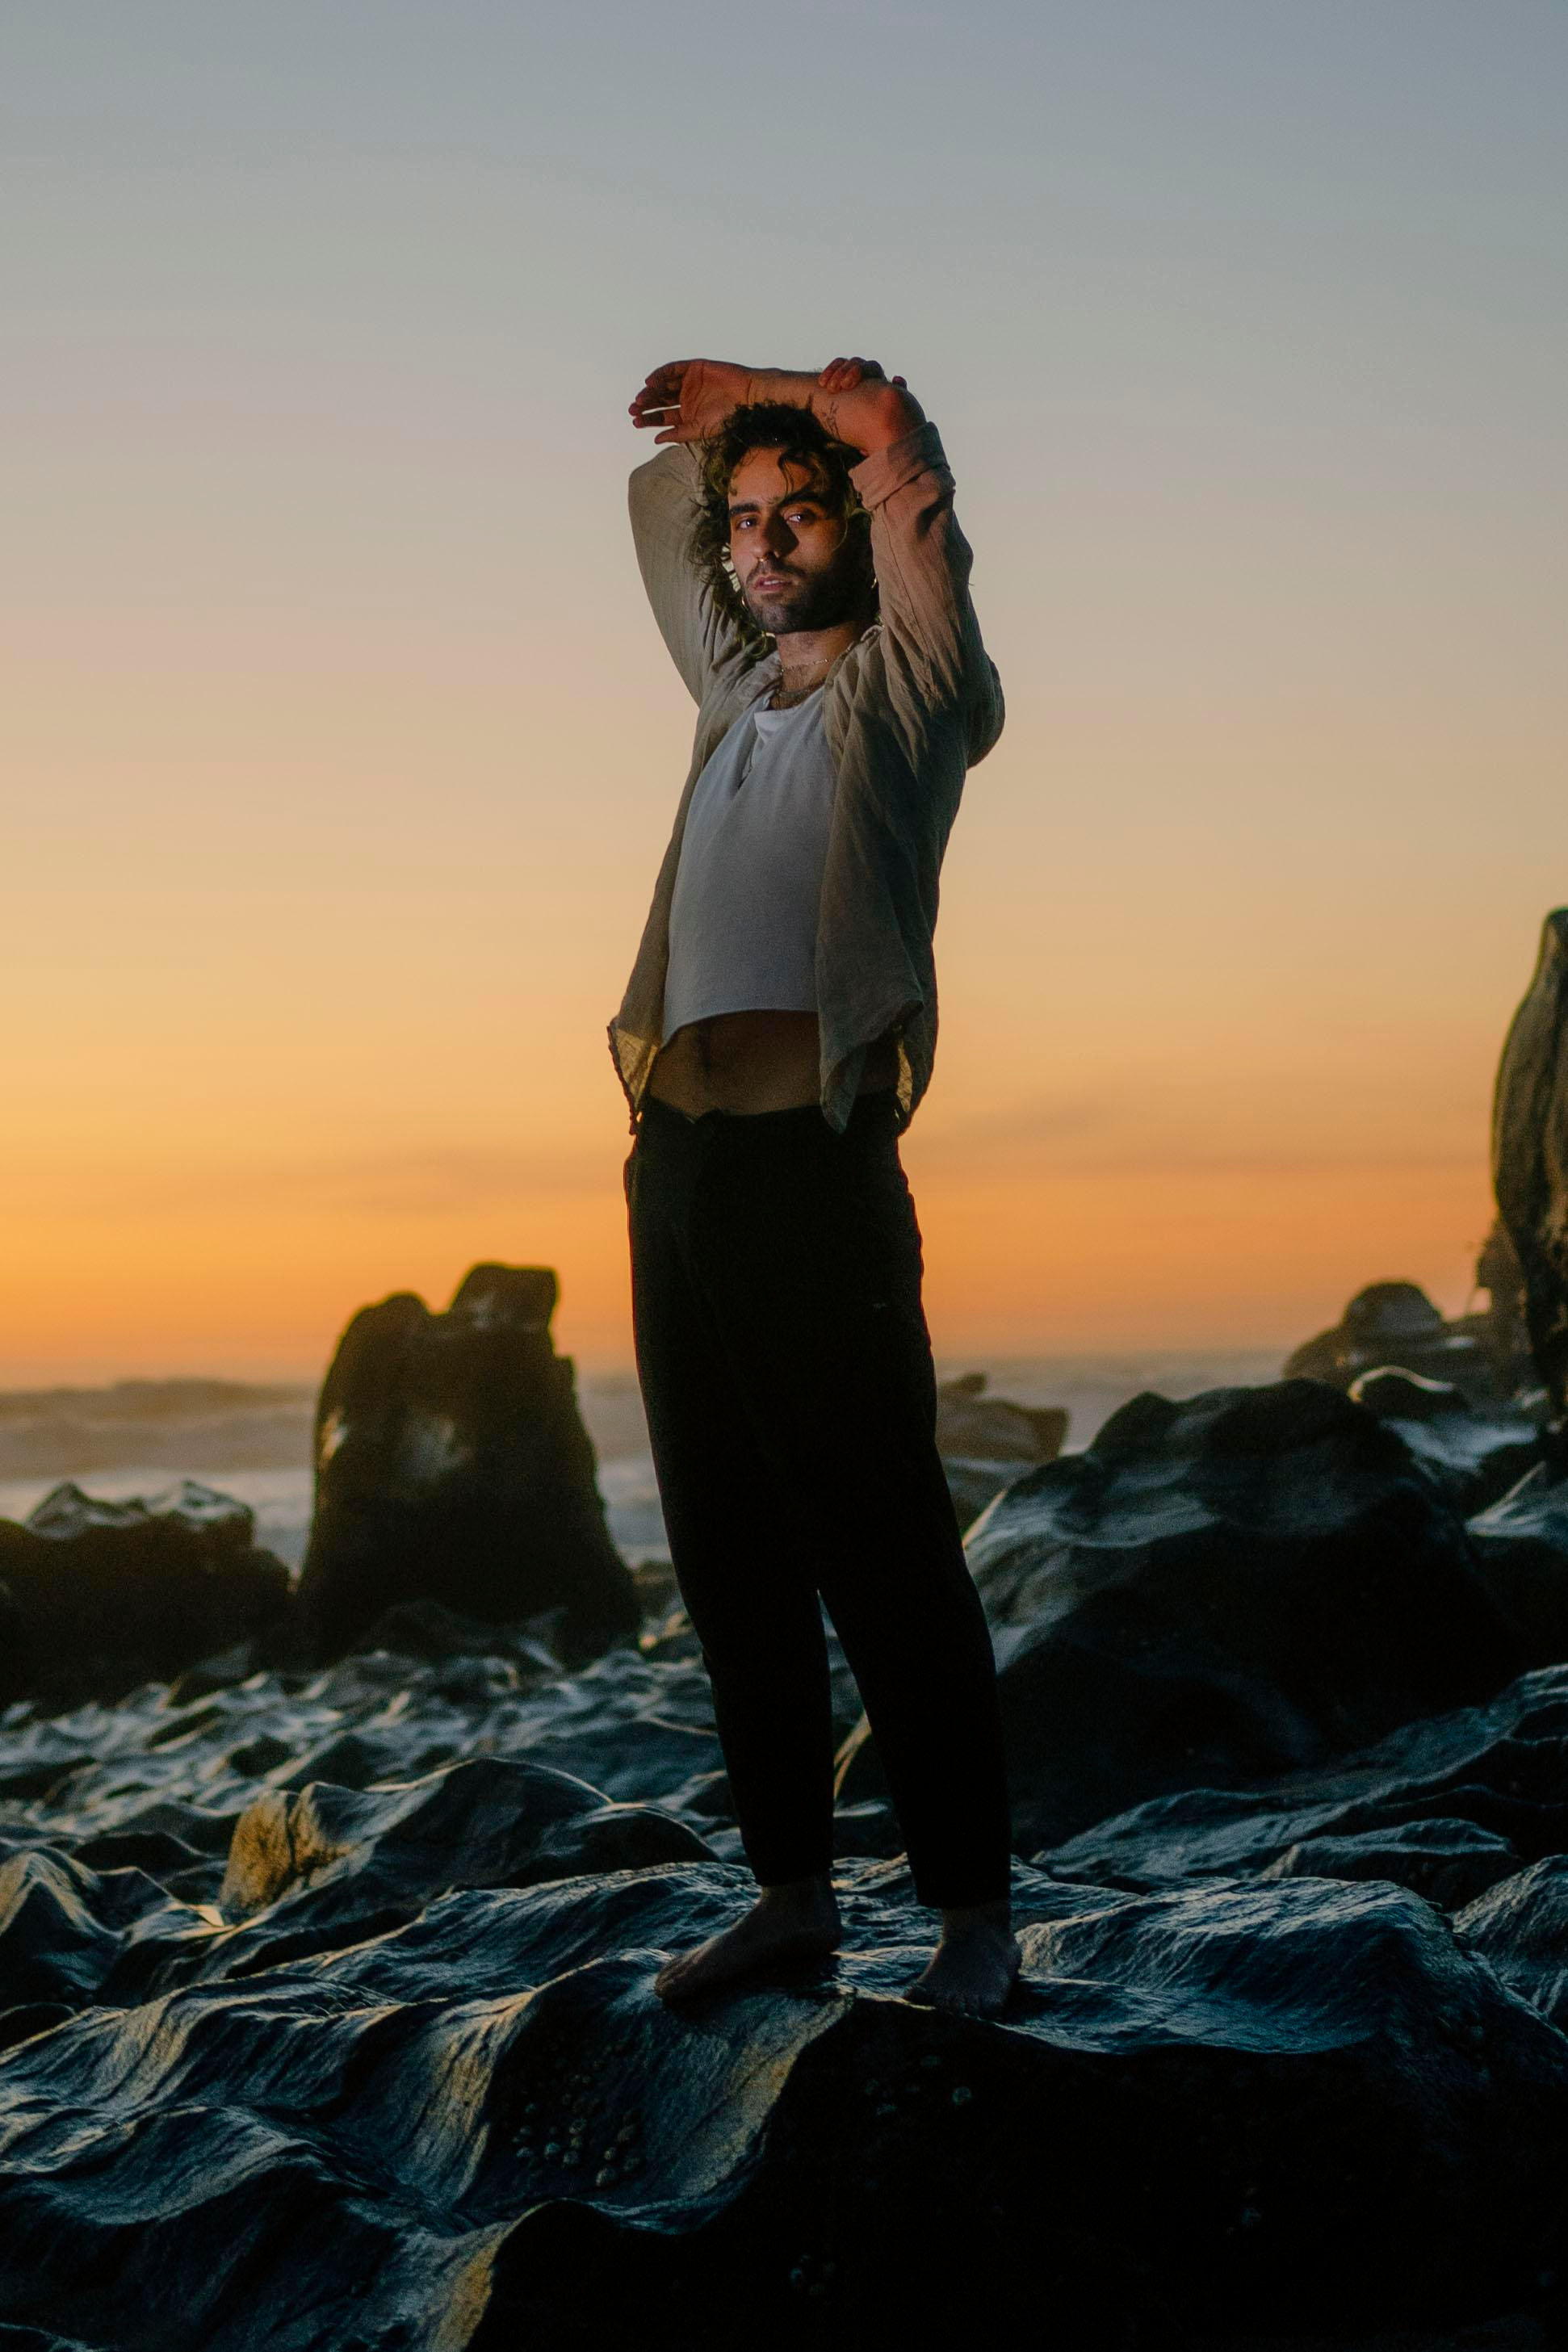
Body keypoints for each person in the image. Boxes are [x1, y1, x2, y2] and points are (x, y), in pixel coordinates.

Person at [610, 354, 1019, 2017]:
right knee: (726, 1550)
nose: (765, 543)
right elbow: (662, 495)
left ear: (860, 531)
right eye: (753, 524)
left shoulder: (915, 689)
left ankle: (974, 1916)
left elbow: (899, 453)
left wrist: (791, 395)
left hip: (813, 1169)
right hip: (676, 1167)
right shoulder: (731, 695)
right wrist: (730, 442)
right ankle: (791, 1892)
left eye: (803, 515)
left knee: (882, 1545)